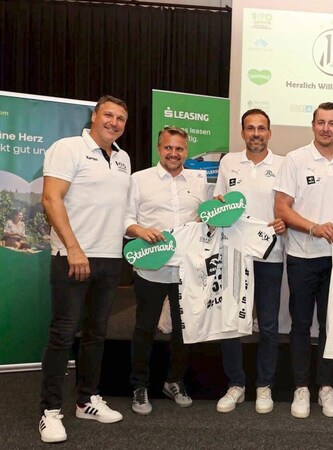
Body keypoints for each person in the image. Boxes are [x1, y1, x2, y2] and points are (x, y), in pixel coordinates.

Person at [39, 96, 131, 443]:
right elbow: (50, 198)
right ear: (94, 116)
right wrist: (74, 249)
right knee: (63, 335)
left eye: (121, 118)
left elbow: (118, 210)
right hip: (73, 256)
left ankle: (86, 400)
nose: (114, 122)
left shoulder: (122, 158)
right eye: (108, 115)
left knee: (96, 333)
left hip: (110, 258)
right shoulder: (68, 148)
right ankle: (49, 411)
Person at [273, 102, 333, 419]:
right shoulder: (295, 160)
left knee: (331, 325)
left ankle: (326, 387)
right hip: (301, 256)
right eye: (321, 122)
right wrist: (313, 227)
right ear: (312, 125)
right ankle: (301, 388)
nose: (326, 128)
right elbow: (282, 209)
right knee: (300, 325)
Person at [124, 126, 208, 415]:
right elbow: (126, 219)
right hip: (151, 267)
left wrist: (213, 212)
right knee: (144, 328)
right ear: (159, 149)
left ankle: (173, 381)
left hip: (186, 270)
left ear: (186, 151)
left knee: (183, 331)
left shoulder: (199, 181)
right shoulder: (139, 179)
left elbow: (202, 220)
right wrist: (140, 230)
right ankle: (139, 386)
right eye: (168, 148)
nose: (174, 153)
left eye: (179, 149)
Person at [214, 109, 287, 414]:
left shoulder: (283, 165)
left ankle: (264, 386)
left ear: (269, 133)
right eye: (250, 128)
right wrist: (217, 208)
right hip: (234, 253)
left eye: (261, 129)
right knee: (231, 322)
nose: (256, 133)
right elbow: (218, 201)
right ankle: (236, 385)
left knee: (268, 325)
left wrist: (284, 220)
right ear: (242, 133)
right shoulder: (228, 162)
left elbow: (290, 205)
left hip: (271, 253)